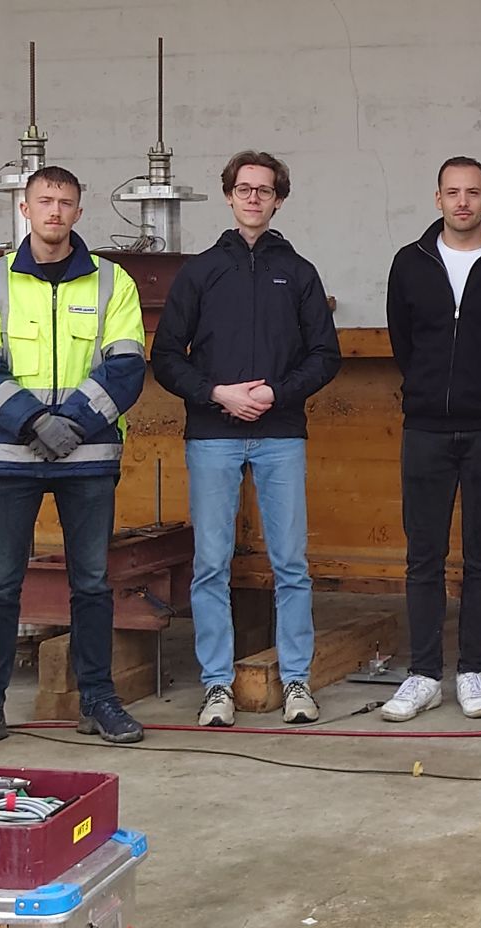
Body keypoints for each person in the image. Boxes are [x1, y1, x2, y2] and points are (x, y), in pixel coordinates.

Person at [0, 165, 148, 756]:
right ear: (25, 211)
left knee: (91, 584)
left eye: (66, 202)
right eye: (44, 201)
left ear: (79, 212)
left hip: (88, 459)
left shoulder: (114, 284)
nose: (55, 211)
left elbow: (127, 365)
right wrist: (36, 423)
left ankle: (98, 700)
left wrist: (74, 426)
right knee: (0, 587)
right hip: (11, 456)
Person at [150, 150, 342, 727]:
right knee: (210, 562)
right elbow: (164, 357)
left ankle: (297, 681)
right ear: (229, 196)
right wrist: (217, 394)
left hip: (281, 433)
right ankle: (216, 685)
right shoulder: (202, 271)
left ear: (279, 199)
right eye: (244, 188)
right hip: (213, 434)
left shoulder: (300, 272)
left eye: (265, 190)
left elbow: (324, 355)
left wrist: (275, 395)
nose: (254, 197)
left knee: (290, 563)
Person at [377, 156, 481, 722]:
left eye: (473, 193)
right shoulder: (411, 261)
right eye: (453, 193)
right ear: (438, 198)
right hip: (425, 427)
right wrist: (427, 390)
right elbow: (404, 340)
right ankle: (423, 674)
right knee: (423, 555)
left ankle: (473, 670)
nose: (463, 202)